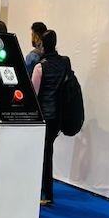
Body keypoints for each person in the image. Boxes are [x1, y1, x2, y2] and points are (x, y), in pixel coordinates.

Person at [31, 29, 70, 206]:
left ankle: (46, 193)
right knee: (48, 152)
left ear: (42, 45)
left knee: (44, 154)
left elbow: (34, 92)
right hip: (58, 116)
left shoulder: (40, 67)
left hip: (44, 116)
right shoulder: (64, 62)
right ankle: (45, 191)